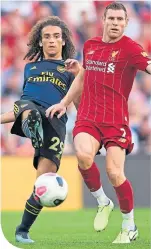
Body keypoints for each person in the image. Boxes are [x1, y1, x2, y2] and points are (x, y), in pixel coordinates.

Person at [46, 2, 151, 244]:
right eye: (111, 19)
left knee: (115, 173)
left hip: (116, 122)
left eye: (120, 20)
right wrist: (64, 102)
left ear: (126, 23)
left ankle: (129, 226)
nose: (115, 23)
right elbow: (84, 77)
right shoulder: (90, 46)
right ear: (103, 20)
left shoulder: (131, 48)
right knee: (83, 156)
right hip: (89, 117)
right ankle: (103, 201)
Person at [1, 16, 81, 244]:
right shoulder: (30, 68)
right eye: (47, 36)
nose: (52, 40)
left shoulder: (70, 68)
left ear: (64, 41)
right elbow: (22, 101)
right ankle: (32, 128)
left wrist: (78, 77)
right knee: (27, 107)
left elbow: (80, 106)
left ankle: (22, 230)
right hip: (29, 109)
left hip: (56, 123)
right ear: (40, 41)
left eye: (57, 36)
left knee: (43, 182)